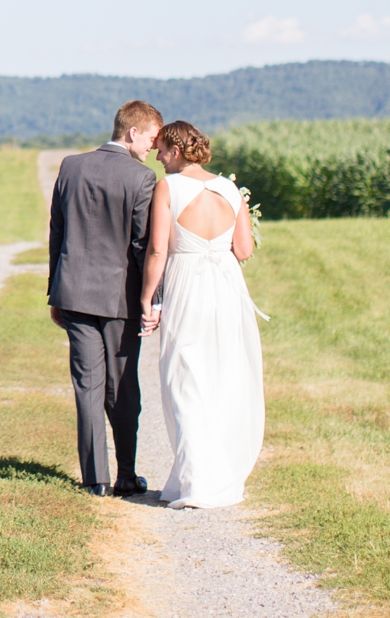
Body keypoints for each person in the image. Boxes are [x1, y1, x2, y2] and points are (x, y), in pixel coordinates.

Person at [137, 120, 266, 509]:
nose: (158, 158)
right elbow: (244, 250)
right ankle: (211, 474)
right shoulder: (229, 188)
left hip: (187, 286)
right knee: (224, 376)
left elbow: (158, 251)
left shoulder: (169, 187)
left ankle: (198, 482)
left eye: (161, 150)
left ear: (176, 150)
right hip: (226, 289)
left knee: (185, 379)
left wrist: (147, 299)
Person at [47, 100, 162, 496]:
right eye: (150, 137)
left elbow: (57, 233)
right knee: (123, 386)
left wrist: (54, 291)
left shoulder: (70, 166)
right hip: (119, 300)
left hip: (74, 293)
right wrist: (153, 299)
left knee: (88, 386)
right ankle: (126, 475)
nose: (153, 147)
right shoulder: (142, 179)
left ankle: (95, 480)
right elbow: (142, 247)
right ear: (132, 132)